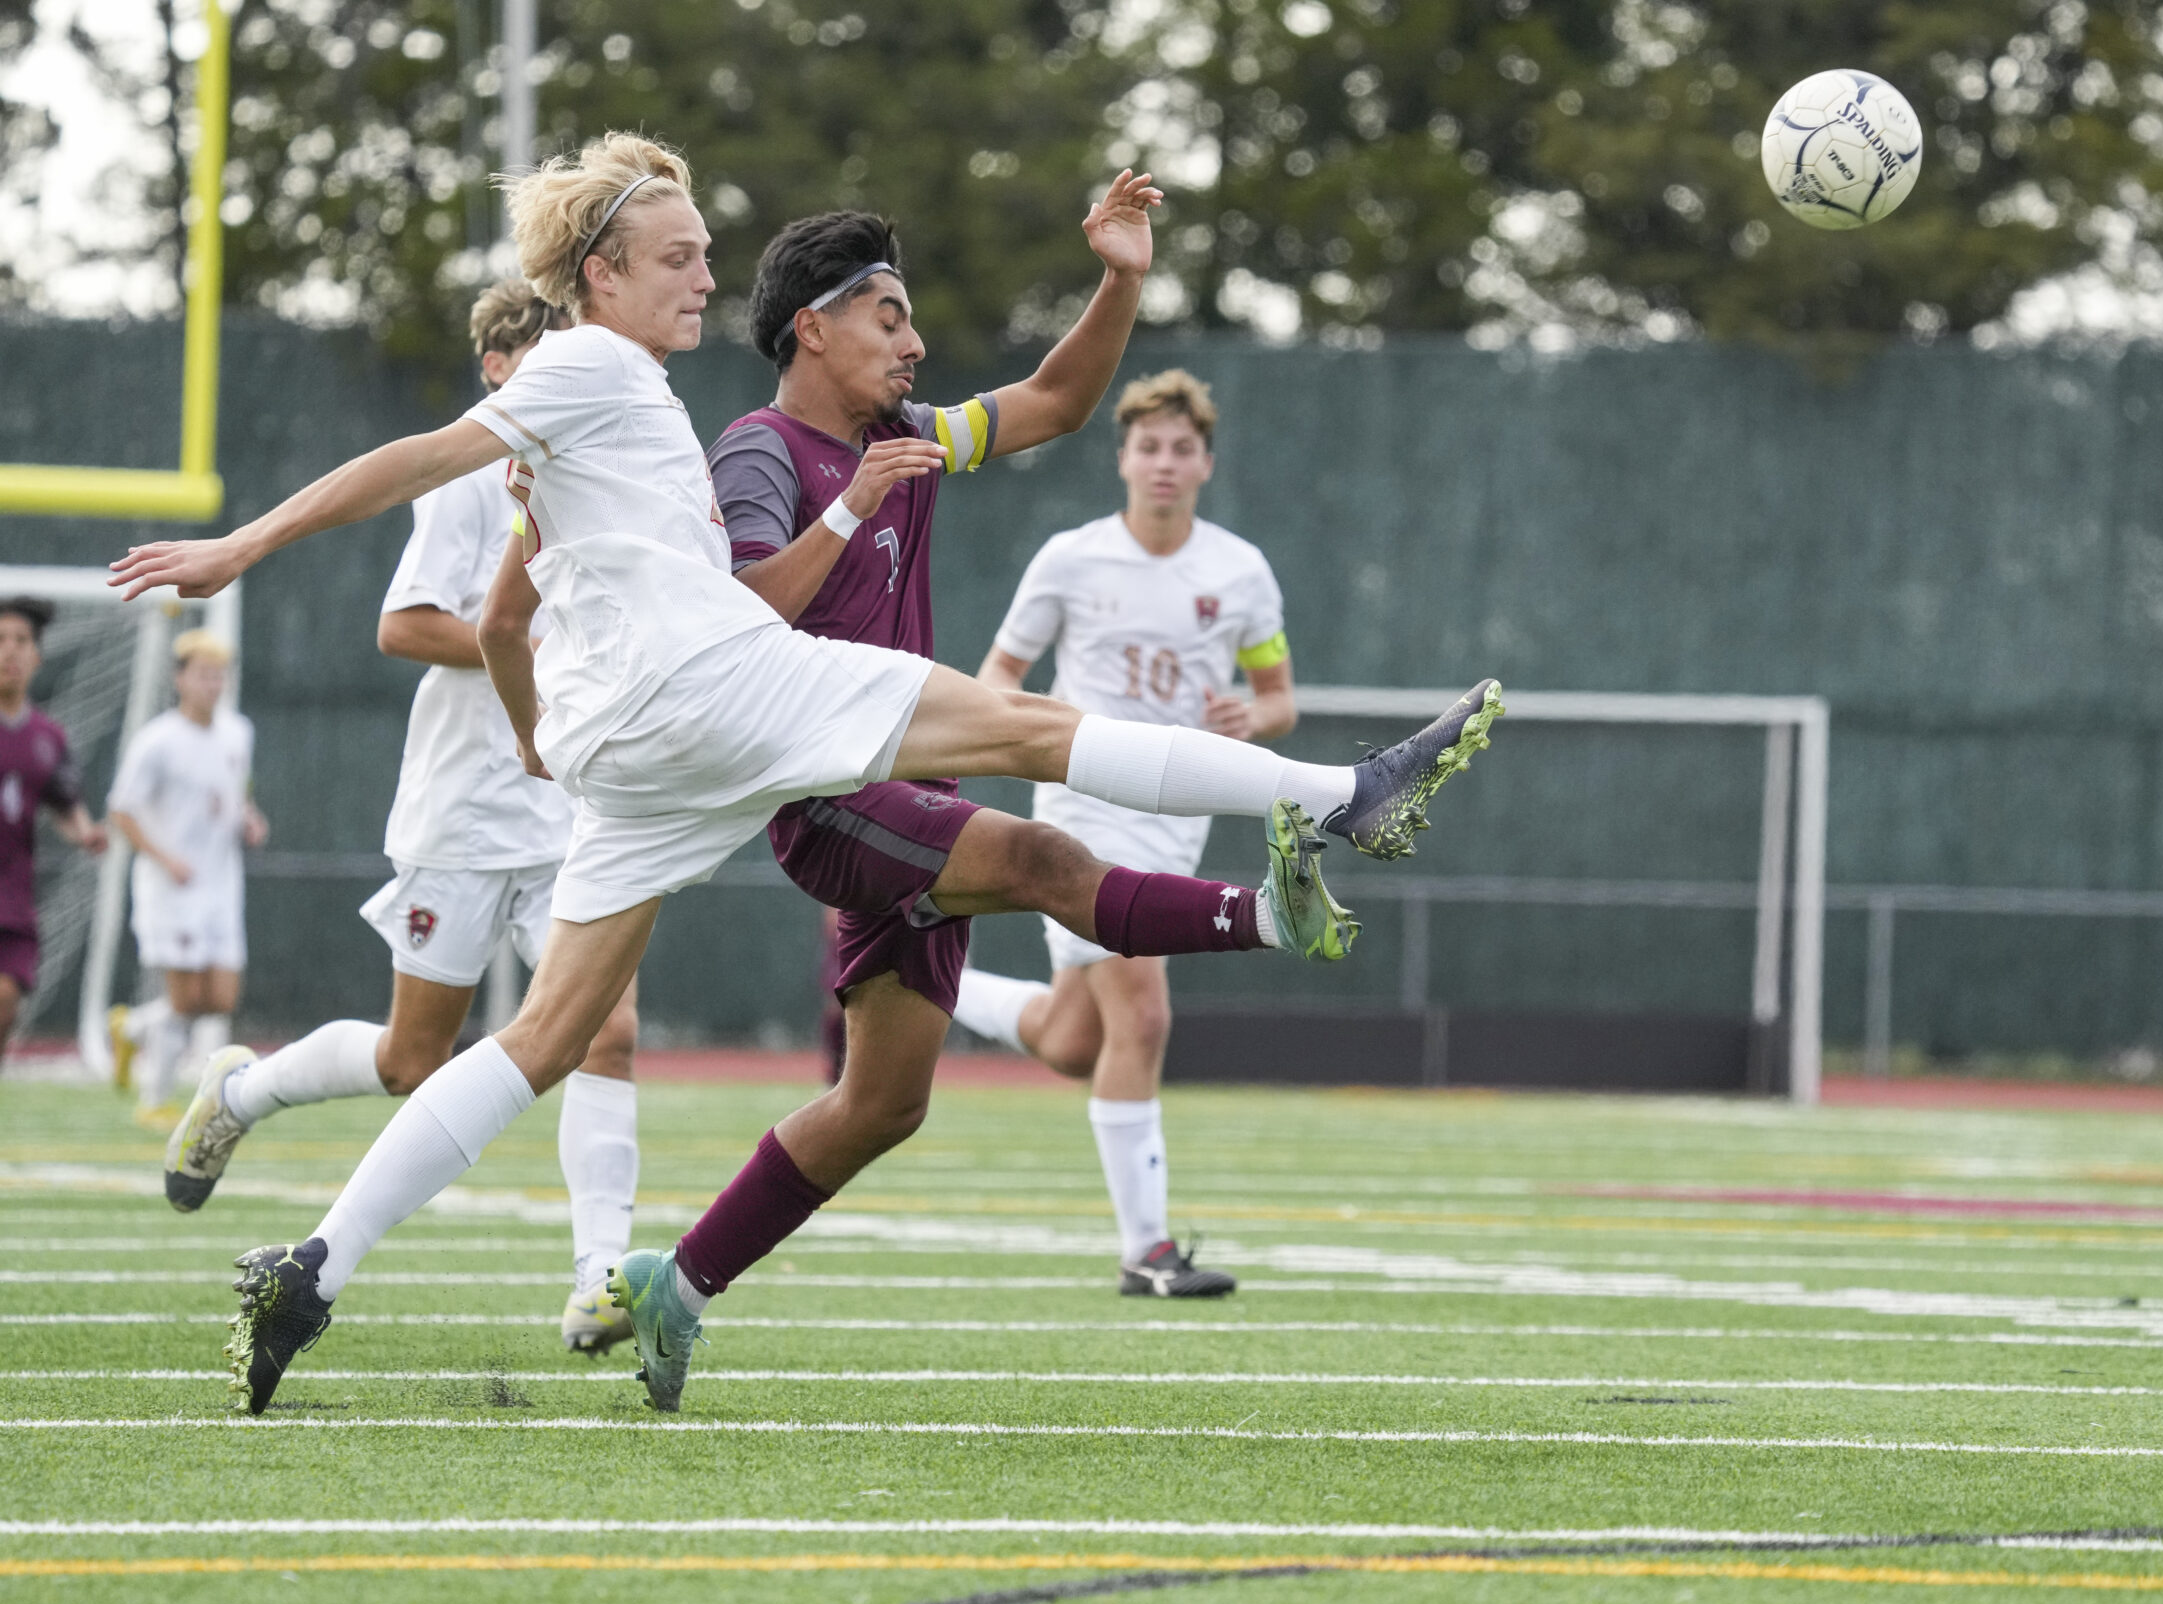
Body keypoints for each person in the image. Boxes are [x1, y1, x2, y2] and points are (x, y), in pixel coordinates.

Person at [105, 132, 1502, 1415]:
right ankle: (1340, 797)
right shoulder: (601, 368)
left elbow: (520, 601)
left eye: (709, 252)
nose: (706, 272)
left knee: (540, 1040)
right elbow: (423, 458)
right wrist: (240, 548)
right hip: (716, 693)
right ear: (601, 273)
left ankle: (312, 1265)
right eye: (680, 253)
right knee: (1028, 745)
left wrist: (543, 733)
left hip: (637, 750)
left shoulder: (633, 407)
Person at [154, 280, 646, 1356]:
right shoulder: (470, 480)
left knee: (606, 1029)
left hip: (568, 805)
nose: (543, 378)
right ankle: (241, 1088)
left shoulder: (599, 469)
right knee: (409, 1060)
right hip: (465, 805)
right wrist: (531, 648)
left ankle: (600, 1279)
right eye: (523, 359)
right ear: (495, 372)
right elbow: (403, 625)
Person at [952, 370, 1292, 1299]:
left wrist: (1252, 720)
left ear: (1206, 463)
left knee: (1075, 1038)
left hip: (1176, 817)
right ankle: (1146, 1252)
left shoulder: (1240, 571)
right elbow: (1001, 671)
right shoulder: (1070, 558)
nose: (1165, 463)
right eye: (1149, 446)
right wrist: (1016, 740)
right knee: (1142, 1013)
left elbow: (1278, 697)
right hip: (1079, 805)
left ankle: (936, 982)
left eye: (1182, 448)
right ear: (1123, 459)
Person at [105, 629, 264, 1121]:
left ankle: (131, 1029)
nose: (212, 684)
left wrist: (249, 817)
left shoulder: (239, 732)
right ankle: (155, 1102)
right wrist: (166, 858)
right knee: (183, 995)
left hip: (221, 884)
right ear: (180, 679)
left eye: (219, 675)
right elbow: (122, 810)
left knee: (218, 999)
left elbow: (236, 791)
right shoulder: (157, 741)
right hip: (171, 888)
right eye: (203, 675)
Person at [0, 597, 110, 1061]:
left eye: (20, 642)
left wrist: (85, 832)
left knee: (5, 1004)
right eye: (1, 641)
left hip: (14, 903)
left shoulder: (48, 737)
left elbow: (65, 804)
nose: (9, 651)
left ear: (37, 656)